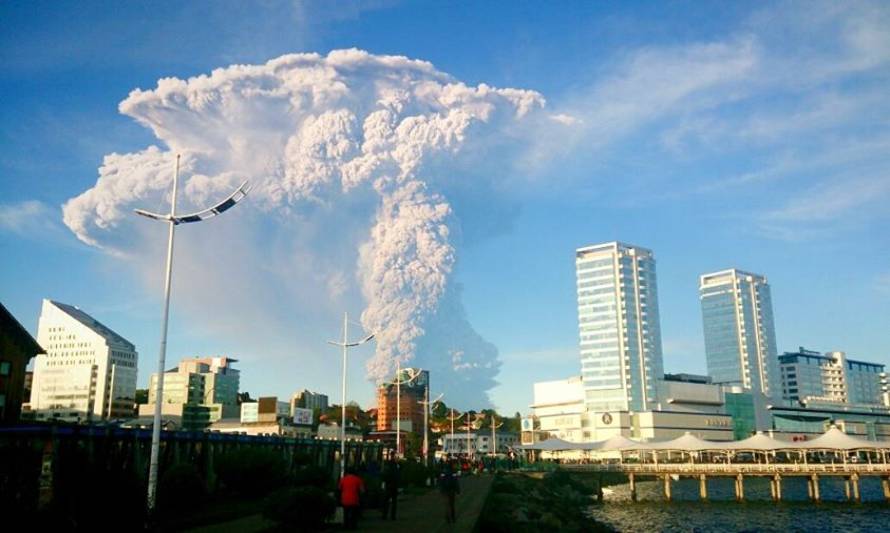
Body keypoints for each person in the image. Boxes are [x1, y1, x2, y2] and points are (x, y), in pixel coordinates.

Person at [381, 453, 400, 520]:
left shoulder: (387, 465)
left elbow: (384, 475)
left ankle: (384, 515)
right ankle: (393, 516)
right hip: (394, 485)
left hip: (388, 485)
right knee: (394, 502)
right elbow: (398, 476)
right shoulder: (396, 466)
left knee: (386, 501)